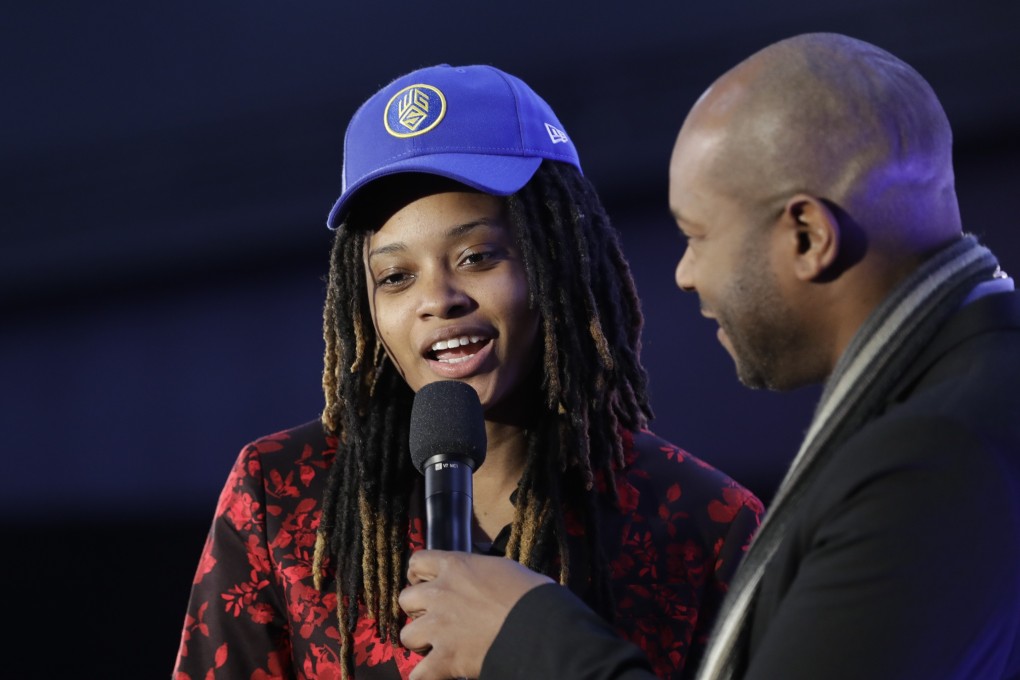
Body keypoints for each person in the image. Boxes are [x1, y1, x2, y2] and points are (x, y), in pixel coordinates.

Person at [396, 33, 1020, 680]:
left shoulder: (934, 454)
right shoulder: (969, 391)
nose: (685, 274)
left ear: (807, 235)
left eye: (697, 235)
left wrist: (526, 633)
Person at [172, 63, 763, 680]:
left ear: (556, 259)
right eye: (396, 276)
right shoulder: (281, 494)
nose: (438, 298)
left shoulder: (704, 524)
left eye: (477, 256)